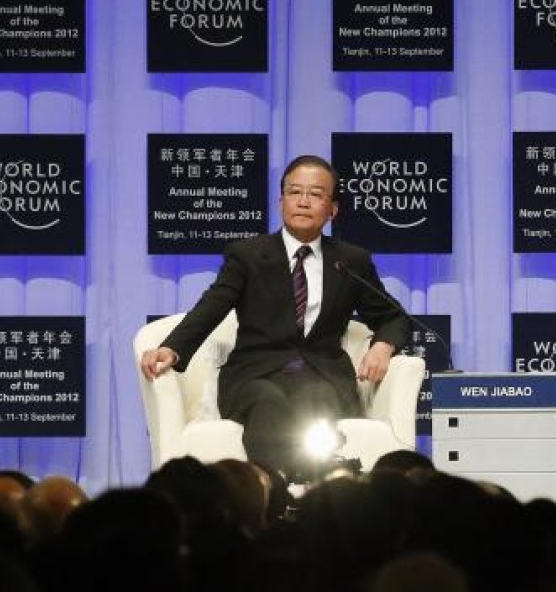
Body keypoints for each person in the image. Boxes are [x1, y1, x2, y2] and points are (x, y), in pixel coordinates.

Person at [139, 154, 409, 479]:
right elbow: (212, 305)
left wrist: (382, 346)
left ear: (333, 209)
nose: (304, 202)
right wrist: (173, 348)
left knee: (317, 398)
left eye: (316, 194)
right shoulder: (248, 255)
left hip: (322, 376)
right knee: (267, 403)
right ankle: (291, 484)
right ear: (281, 201)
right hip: (255, 375)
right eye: (295, 192)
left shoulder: (350, 261)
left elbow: (393, 316)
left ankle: (308, 486)